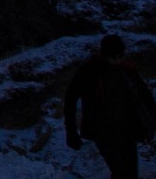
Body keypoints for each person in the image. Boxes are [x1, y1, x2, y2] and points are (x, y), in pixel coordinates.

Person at [67, 33, 156, 178]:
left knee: (129, 174)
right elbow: (70, 99)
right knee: (121, 172)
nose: (118, 60)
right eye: (113, 57)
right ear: (104, 55)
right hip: (102, 131)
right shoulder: (90, 71)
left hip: (127, 130)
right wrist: (71, 131)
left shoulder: (126, 69)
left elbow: (144, 94)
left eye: (121, 56)